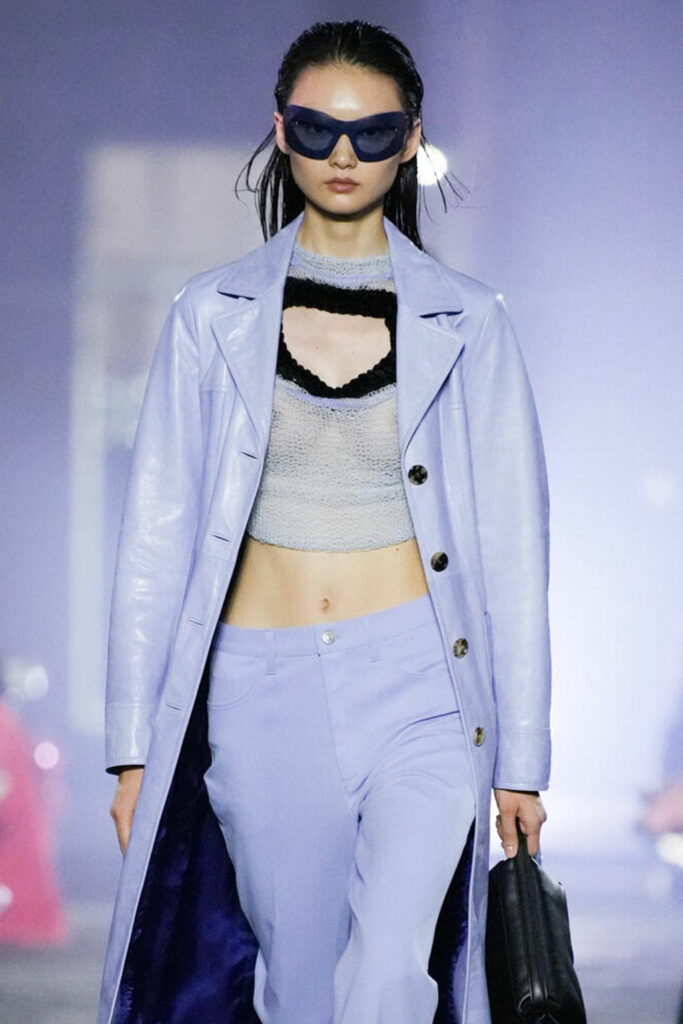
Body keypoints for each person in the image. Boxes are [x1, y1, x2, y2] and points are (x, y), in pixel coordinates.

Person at [99, 19, 551, 1024]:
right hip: (261, 689)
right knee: (300, 992)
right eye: (315, 129)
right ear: (280, 131)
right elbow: (153, 539)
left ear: (410, 141)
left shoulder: (471, 320)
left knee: (388, 971)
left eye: (372, 132)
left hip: (424, 686)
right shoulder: (208, 314)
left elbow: (515, 551)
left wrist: (522, 759)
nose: (343, 155)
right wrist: (132, 748)